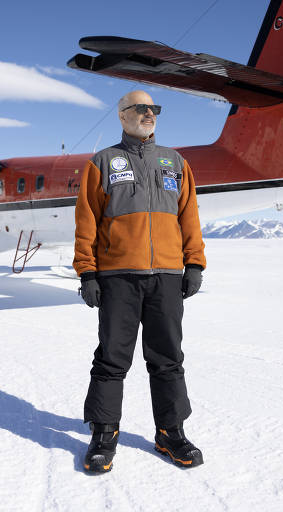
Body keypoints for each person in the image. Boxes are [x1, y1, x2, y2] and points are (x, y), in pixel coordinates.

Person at [73, 90, 207, 473]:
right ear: (122, 115)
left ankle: (171, 431)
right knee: (112, 359)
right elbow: (87, 221)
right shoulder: (103, 162)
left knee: (168, 360)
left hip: (166, 276)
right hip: (118, 277)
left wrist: (193, 263)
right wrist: (87, 272)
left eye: (154, 109)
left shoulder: (175, 162)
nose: (149, 114)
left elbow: (189, 215)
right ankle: (104, 433)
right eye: (141, 108)